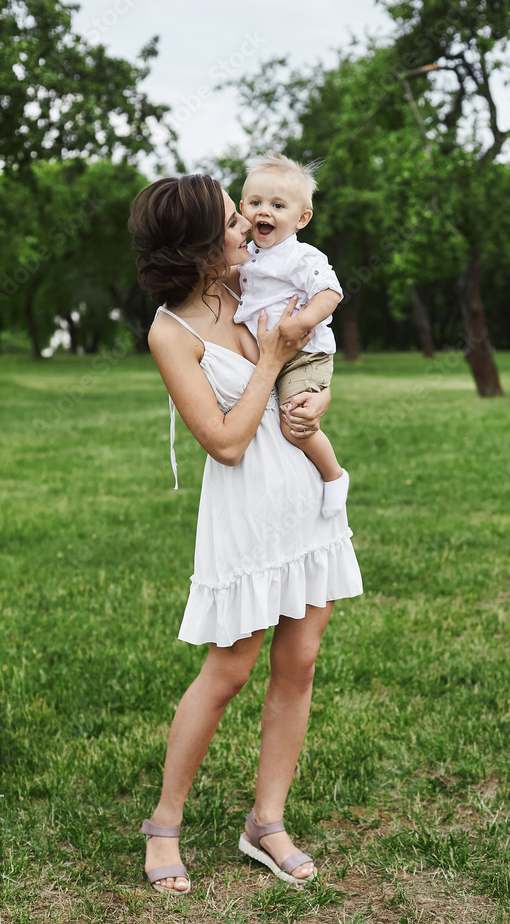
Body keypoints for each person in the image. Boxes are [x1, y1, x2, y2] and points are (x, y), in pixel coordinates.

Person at [128, 173, 363, 894]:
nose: (247, 226)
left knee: (300, 662)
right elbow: (225, 442)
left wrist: (314, 400)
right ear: (200, 243)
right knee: (228, 669)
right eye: (232, 220)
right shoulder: (172, 331)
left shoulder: (260, 283)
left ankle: (266, 821)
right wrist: (266, 360)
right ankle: (164, 826)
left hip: (302, 496)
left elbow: (313, 358)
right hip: (245, 507)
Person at [236, 153, 349, 519]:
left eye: (278, 205)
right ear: (242, 209)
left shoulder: (301, 257)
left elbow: (330, 292)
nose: (264, 212)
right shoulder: (247, 254)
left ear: (302, 218)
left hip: (304, 353)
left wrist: (303, 322)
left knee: (294, 423)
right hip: (270, 354)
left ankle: (334, 475)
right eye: (256, 203)